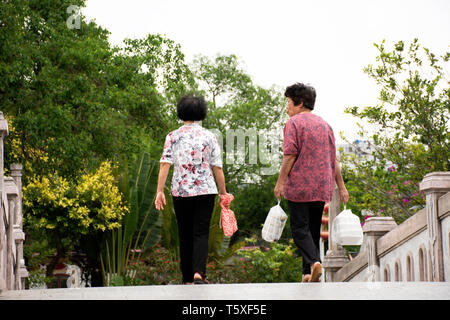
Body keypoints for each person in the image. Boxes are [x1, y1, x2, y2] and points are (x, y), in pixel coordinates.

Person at [274, 83, 349, 282]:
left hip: (299, 185)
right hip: (321, 185)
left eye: (288, 102)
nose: (287, 107)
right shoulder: (325, 125)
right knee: (313, 230)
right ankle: (307, 273)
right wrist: (341, 186)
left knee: (299, 229)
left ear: (298, 103)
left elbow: (290, 155)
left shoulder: (294, 123)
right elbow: (334, 159)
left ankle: (315, 262)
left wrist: (280, 182)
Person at [155, 95, 228, 285]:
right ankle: (199, 273)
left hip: (181, 191)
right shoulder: (209, 136)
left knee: (184, 233)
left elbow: (165, 164)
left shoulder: (173, 136)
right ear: (201, 113)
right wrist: (223, 193)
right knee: (201, 232)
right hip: (206, 191)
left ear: (180, 112)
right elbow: (217, 167)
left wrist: (159, 191)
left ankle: (187, 277)